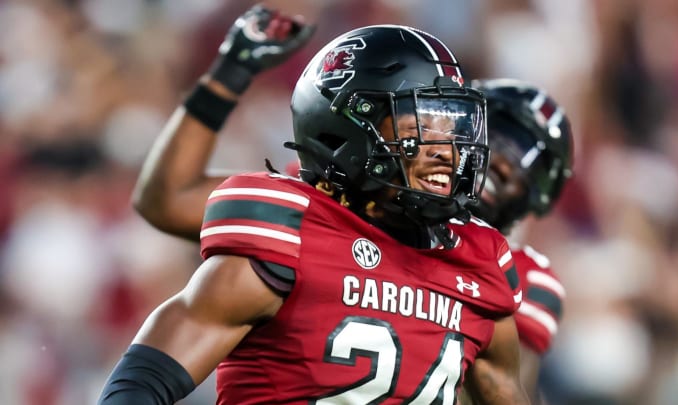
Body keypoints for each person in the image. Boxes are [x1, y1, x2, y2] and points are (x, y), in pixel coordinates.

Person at [99, 5, 529, 404]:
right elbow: (142, 384)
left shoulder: (480, 262)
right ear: (349, 126)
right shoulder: (290, 231)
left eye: (453, 124)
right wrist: (226, 77)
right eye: (422, 123)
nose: (447, 150)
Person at [461, 78, 574, 404]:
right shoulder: (378, 209)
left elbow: (507, 391)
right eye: (498, 138)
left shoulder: (523, 278)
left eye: (529, 172)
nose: (505, 165)